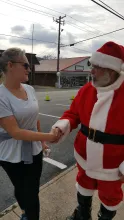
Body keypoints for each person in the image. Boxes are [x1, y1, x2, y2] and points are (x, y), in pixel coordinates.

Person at [51, 41, 124, 220]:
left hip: (112, 165)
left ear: (111, 70)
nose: (92, 71)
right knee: (83, 185)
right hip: (84, 155)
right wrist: (62, 126)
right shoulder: (86, 90)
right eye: (93, 66)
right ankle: (82, 215)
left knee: (110, 197)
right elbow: (73, 113)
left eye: (97, 67)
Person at [0, 48, 60, 220]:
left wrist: (42, 143)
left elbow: (35, 119)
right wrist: (49, 136)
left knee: (32, 189)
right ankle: (28, 211)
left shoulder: (30, 89)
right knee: (22, 188)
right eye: (25, 65)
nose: (29, 68)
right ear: (10, 65)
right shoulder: (1, 95)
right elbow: (15, 132)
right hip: (11, 154)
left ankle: (27, 212)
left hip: (34, 150)